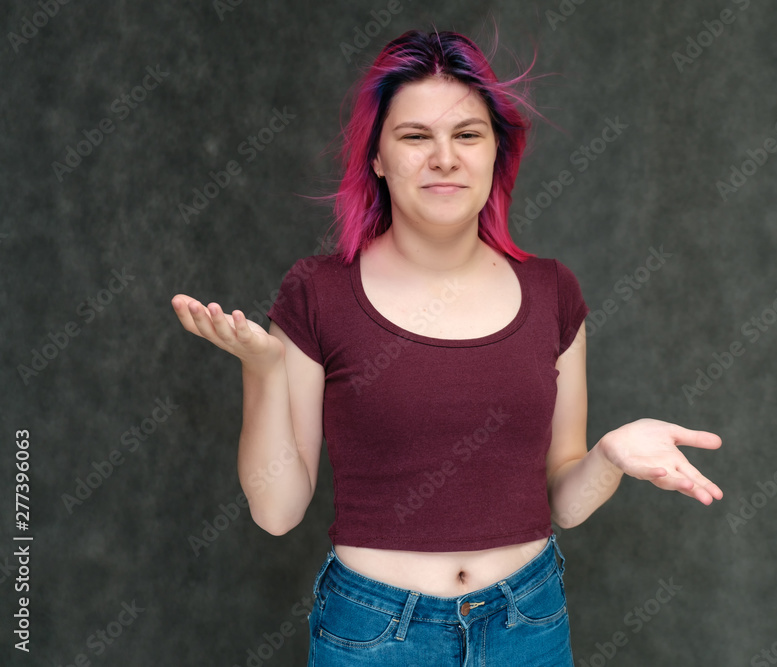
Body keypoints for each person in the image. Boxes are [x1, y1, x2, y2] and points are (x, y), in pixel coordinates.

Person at [171, 26, 723, 666]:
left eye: (467, 135)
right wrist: (264, 373)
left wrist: (610, 455)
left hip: (529, 621)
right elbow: (276, 511)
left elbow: (565, 503)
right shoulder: (317, 294)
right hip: (376, 634)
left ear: (495, 152)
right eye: (414, 137)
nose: (444, 158)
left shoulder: (552, 293)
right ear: (376, 156)